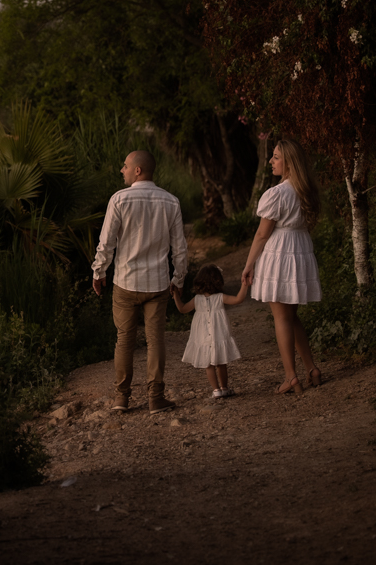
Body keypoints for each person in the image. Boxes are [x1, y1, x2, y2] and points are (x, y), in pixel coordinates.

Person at [92, 150, 188, 413]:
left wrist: (99, 273)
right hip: (157, 284)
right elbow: (180, 248)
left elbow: (106, 242)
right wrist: (178, 279)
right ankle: (156, 399)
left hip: (125, 282)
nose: (121, 170)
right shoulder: (171, 202)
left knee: (124, 340)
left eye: (125, 166)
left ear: (137, 170)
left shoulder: (119, 199)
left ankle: (121, 399)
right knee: (155, 340)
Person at [241, 138, 323, 394]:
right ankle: (311, 368)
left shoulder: (277, 193)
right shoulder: (304, 190)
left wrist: (249, 264)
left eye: (276, 157)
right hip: (299, 251)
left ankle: (291, 376)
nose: (271, 161)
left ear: (288, 162)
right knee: (291, 316)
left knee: (281, 318)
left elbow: (262, 235)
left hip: (280, 253)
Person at [172, 264, 246, 399]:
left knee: (208, 364)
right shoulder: (220, 297)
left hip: (202, 335)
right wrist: (245, 284)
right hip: (218, 334)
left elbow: (182, 309)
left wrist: (175, 295)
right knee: (221, 362)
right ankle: (224, 388)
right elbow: (238, 299)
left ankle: (216, 390)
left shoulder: (197, 299)